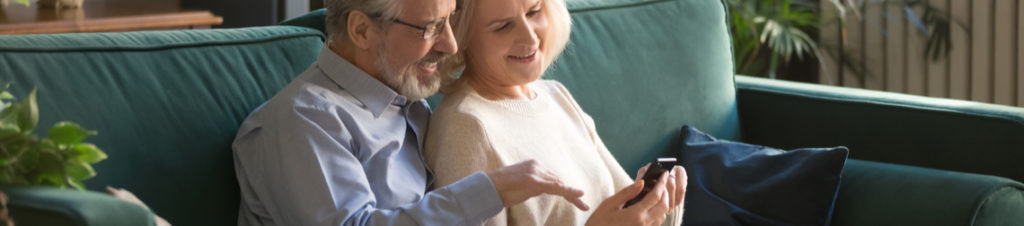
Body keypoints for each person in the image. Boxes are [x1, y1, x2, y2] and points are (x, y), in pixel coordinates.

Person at [230, 0, 672, 225]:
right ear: (362, 30)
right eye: (429, 28)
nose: (450, 46)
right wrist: (490, 189)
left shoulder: (409, 103)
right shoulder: (304, 121)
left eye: (449, 21)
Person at [423, 0, 687, 225]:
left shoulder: (554, 95)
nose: (530, 37)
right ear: (462, 38)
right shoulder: (465, 126)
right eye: (503, 26)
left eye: (534, 12)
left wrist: (661, 203)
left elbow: (625, 209)